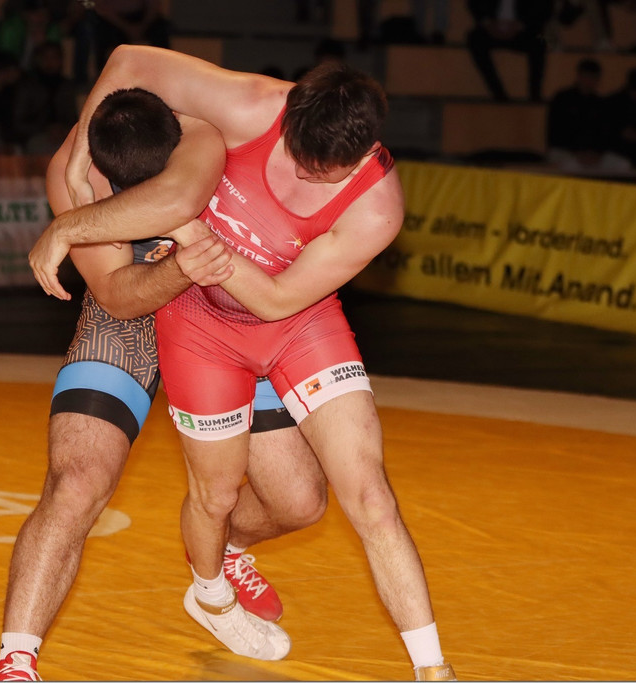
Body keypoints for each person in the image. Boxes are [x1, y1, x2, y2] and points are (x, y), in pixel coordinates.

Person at [28, 45, 456, 681]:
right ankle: (205, 594)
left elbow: (280, 299)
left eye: (324, 172)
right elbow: (127, 59)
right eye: (297, 155)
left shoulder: (376, 207)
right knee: (209, 490)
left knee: (357, 495)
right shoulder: (252, 104)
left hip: (291, 319)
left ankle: (434, 670)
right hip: (197, 322)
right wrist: (79, 161)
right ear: (289, 114)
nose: (304, 175)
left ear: (364, 153)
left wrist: (191, 232)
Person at [0, 87, 330, 681]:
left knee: (299, 500)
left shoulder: (198, 132)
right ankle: (16, 661)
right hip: (132, 310)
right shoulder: (71, 174)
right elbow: (117, 296)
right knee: (76, 481)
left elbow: (176, 196)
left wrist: (71, 228)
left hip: (217, 313)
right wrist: (175, 264)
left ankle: (223, 547)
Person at [545, 57, 630, 173]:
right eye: (587, 76)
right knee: (570, 165)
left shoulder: (600, 103)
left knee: (623, 165)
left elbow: (605, 134)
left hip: (594, 154)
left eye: (594, 77)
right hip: (565, 150)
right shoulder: (562, 99)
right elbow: (556, 132)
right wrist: (578, 152)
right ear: (579, 76)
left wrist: (597, 153)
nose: (590, 81)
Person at [466, 0, 555, 102]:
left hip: (524, 30)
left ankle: (535, 94)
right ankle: (499, 94)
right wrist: (488, 23)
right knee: (475, 39)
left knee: (539, 42)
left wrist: (520, 25)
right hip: (491, 28)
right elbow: (474, 4)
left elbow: (545, 9)